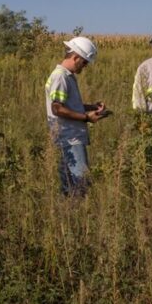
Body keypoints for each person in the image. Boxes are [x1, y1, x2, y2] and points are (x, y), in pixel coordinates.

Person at [44, 36, 109, 195]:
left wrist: (91, 107)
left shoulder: (67, 76)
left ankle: (68, 215)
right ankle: (77, 214)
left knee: (69, 184)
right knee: (81, 182)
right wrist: (87, 117)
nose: (85, 66)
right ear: (75, 57)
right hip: (69, 139)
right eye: (85, 62)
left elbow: (67, 105)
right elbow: (57, 109)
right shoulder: (61, 76)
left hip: (68, 137)